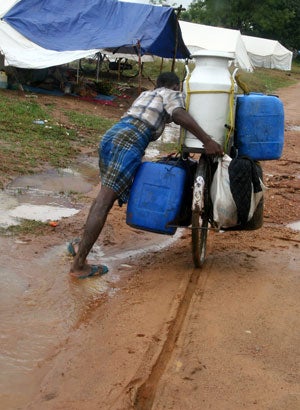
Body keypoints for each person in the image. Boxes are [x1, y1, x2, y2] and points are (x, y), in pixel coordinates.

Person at [68, 71, 223, 278]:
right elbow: (178, 114)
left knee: (103, 197)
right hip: (131, 140)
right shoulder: (171, 93)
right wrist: (207, 140)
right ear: (176, 86)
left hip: (112, 135)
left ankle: (81, 244)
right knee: (104, 201)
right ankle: (79, 265)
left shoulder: (145, 94)